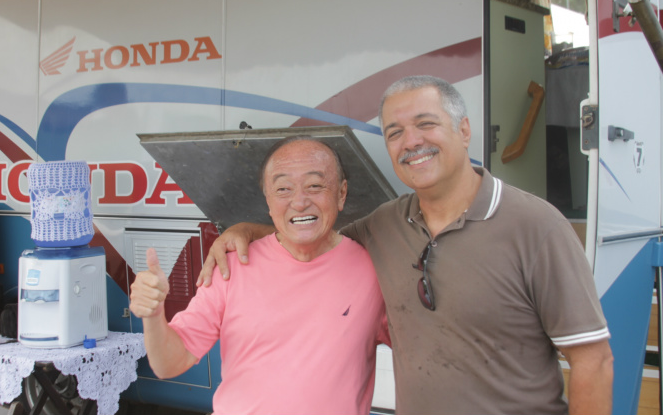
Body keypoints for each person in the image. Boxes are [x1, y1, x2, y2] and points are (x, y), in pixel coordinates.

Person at [197, 75, 614, 415]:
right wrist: (247, 229)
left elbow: (593, 361)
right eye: (395, 132)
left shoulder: (536, 227)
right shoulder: (385, 225)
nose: (411, 141)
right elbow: (311, 233)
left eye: (426, 124)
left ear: (464, 129)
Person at [130, 136, 390, 415]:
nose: (299, 202)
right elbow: (169, 363)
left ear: (341, 194)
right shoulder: (232, 266)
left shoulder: (375, 272)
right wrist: (154, 316)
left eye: (315, 185)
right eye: (283, 189)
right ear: (268, 200)